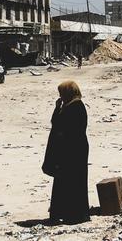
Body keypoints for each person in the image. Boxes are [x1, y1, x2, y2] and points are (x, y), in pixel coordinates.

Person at [42, 80, 90, 224]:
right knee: (67, 181)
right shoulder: (71, 106)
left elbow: (63, 128)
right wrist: (58, 108)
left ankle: (74, 214)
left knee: (71, 181)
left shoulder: (76, 107)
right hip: (72, 150)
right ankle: (68, 213)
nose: (61, 96)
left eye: (62, 93)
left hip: (73, 151)